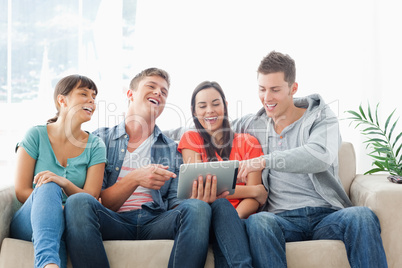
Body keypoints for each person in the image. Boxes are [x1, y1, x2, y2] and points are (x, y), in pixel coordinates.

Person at [234, 51, 388, 268]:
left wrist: (264, 160)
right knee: (259, 222)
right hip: (281, 218)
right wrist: (170, 138)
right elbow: (210, 128)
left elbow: (318, 155)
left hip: (326, 215)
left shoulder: (321, 118)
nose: (267, 98)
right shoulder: (254, 123)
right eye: (262, 89)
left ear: (293, 88)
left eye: (275, 90)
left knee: (362, 216)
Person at [64, 68, 213, 268]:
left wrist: (196, 199)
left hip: (156, 221)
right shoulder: (100, 140)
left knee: (198, 208)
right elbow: (97, 201)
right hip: (113, 219)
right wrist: (135, 178)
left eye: (164, 91)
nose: (158, 93)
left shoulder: (171, 149)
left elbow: (175, 206)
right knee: (79, 202)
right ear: (130, 94)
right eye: (151, 86)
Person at [10, 74, 107, 268]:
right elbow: (21, 191)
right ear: (62, 100)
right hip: (30, 219)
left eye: (94, 97)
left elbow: (90, 197)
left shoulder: (96, 145)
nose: (91, 101)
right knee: (48, 186)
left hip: (72, 221)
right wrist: (55, 208)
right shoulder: (35, 135)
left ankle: (49, 265)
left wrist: (65, 183)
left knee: (58, 230)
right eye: (83, 94)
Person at [178, 81, 267, 267]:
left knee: (223, 208)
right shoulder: (191, 139)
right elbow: (200, 185)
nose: (210, 110)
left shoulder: (249, 142)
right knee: (219, 205)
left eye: (215, 104)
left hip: (240, 217)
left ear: (225, 106)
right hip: (204, 220)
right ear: (194, 112)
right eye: (202, 106)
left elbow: (254, 201)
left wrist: (232, 219)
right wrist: (253, 190)